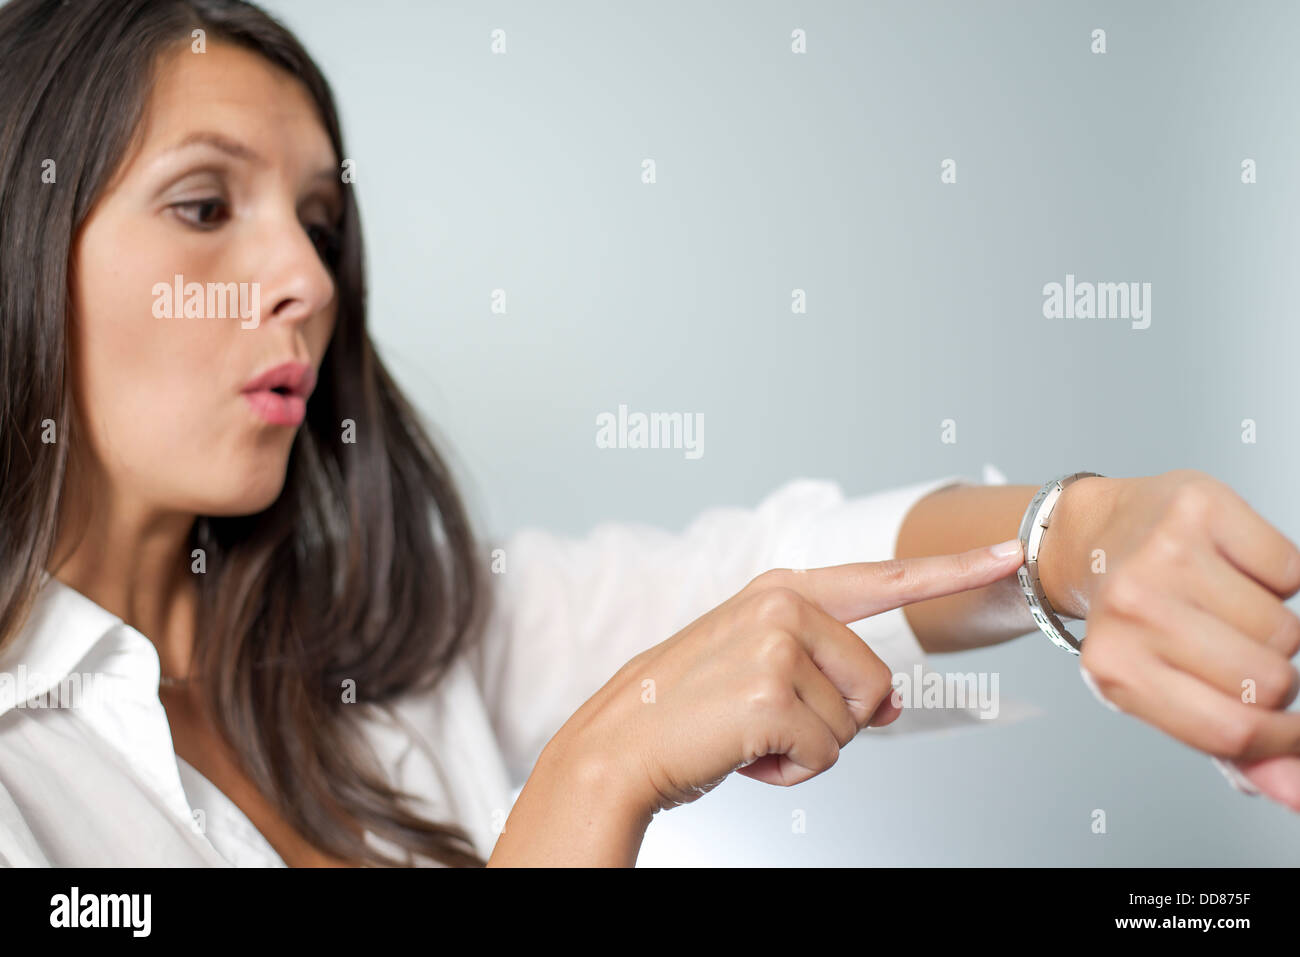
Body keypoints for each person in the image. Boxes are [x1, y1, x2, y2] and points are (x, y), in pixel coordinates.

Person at [0, 0, 1296, 868]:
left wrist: (1072, 541)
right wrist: (600, 771)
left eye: (323, 221)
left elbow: (768, 570)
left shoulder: (395, 642)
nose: (308, 277)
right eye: (204, 204)